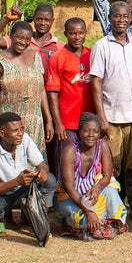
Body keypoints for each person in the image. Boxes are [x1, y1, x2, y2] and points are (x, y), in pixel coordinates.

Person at [90, 1, 132, 218]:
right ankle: (113, 207)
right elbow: (96, 83)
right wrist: (101, 118)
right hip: (112, 116)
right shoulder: (101, 46)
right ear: (110, 18)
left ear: (131, 17)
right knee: (112, 165)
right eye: (117, 16)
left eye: (125, 16)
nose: (121, 20)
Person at [0, 112, 56, 237]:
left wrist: (43, 171)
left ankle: (37, 218)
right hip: (2, 195)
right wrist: (16, 182)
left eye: (21, 129)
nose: (20, 134)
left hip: (23, 192)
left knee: (50, 180)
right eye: (14, 130)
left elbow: (42, 164)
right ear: (2, 134)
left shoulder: (24, 139)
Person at [54, 113, 127, 240]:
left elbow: (107, 175)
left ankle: (98, 224)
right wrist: (88, 211)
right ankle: (86, 224)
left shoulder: (102, 145)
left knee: (110, 191)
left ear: (99, 133)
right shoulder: (70, 151)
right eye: (86, 131)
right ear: (79, 133)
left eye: (95, 131)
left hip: (89, 194)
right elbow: (70, 188)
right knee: (84, 220)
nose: (91, 135)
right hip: (70, 197)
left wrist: (97, 188)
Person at [0, 21, 53, 158]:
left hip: (35, 123)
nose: (23, 42)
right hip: (9, 126)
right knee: (10, 165)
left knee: (35, 166)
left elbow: (41, 91)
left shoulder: (35, 57)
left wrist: (48, 119)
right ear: (11, 36)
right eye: (19, 37)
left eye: (27, 40)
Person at [46, 18, 94, 175]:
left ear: (86, 33)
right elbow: (52, 92)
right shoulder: (58, 57)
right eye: (72, 33)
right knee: (67, 163)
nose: (77, 37)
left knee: (88, 162)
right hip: (67, 123)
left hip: (89, 121)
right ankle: (63, 196)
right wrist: (57, 122)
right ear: (65, 34)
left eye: (81, 33)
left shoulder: (91, 55)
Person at [0, 3, 65, 81]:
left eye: (46, 20)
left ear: (52, 21)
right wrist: (7, 19)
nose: (42, 23)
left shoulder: (59, 46)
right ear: (34, 18)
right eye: (39, 19)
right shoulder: (22, 40)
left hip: (48, 94)